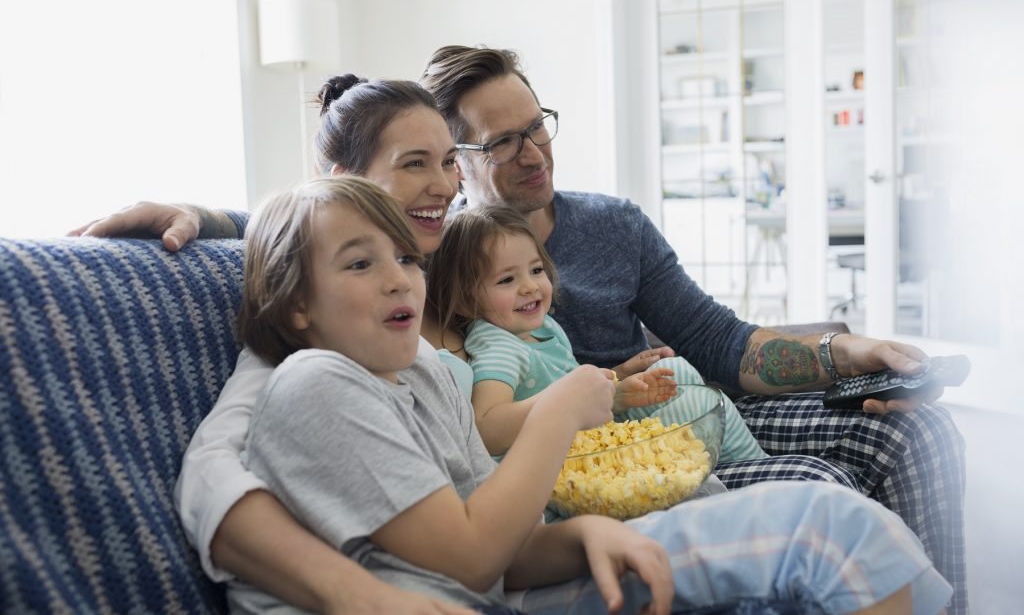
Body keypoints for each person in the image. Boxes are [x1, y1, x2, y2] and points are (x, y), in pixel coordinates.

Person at [69, 50, 967, 614]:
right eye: (494, 145)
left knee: (909, 432)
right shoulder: (399, 292)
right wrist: (208, 214)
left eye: (536, 128)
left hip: (647, 442)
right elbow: (310, 247)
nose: (526, 153)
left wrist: (848, 352)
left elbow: (719, 338)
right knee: (814, 509)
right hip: (552, 502)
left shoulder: (578, 230)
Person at [234, 173, 950, 615]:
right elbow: (476, 555)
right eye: (362, 264)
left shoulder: (415, 371)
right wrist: (563, 409)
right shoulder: (318, 381)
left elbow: (503, 545)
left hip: (522, 565)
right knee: (828, 529)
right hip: (479, 591)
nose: (398, 278)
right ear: (296, 303)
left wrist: (580, 532)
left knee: (837, 517)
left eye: (402, 259)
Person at [427, 203, 768, 464]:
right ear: (464, 299)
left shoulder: (542, 327)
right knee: (699, 402)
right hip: (568, 461)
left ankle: (748, 465)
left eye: (535, 270)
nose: (530, 286)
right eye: (506, 280)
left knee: (675, 373)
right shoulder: (498, 345)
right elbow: (486, 427)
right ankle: (757, 473)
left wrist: (619, 374)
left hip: (593, 436)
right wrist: (586, 400)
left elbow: (571, 380)